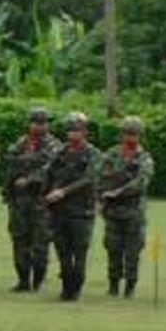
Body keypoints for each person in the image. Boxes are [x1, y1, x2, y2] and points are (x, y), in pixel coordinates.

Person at [42, 112, 100, 300]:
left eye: (77, 130)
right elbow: (48, 173)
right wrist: (47, 194)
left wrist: (63, 191)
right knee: (62, 251)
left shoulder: (93, 154)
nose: (72, 134)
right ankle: (66, 287)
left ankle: (76, 288)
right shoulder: (59, 153)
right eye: (70, 130)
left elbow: (89, 178)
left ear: (85, 132)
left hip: (82, 211)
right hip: (59, 211)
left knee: (79, 251)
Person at [96, 117, 154, 298]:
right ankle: (113, 285)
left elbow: (141, 182)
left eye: (134, 134)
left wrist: (118, 192)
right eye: (127, 134)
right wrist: (101, 198)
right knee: (113, 249)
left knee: (133, 251)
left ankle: (130, 287)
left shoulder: (144, 158)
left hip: (133, 211)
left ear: (139, 136)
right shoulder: (111, 154)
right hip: (112, 211)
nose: (130, 138)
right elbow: (100, 178)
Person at [2, 106, 57, 292]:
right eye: (36, 122)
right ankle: (23, 280)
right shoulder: (21, 142)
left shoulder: (54, 145)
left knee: (40, 243)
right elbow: (10, 160)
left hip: (41, 201)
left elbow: (49, 168)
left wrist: (29, 177)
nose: (40, 127)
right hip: (19, 201)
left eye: (43, 123)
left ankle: (38, 281)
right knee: (19, 240)